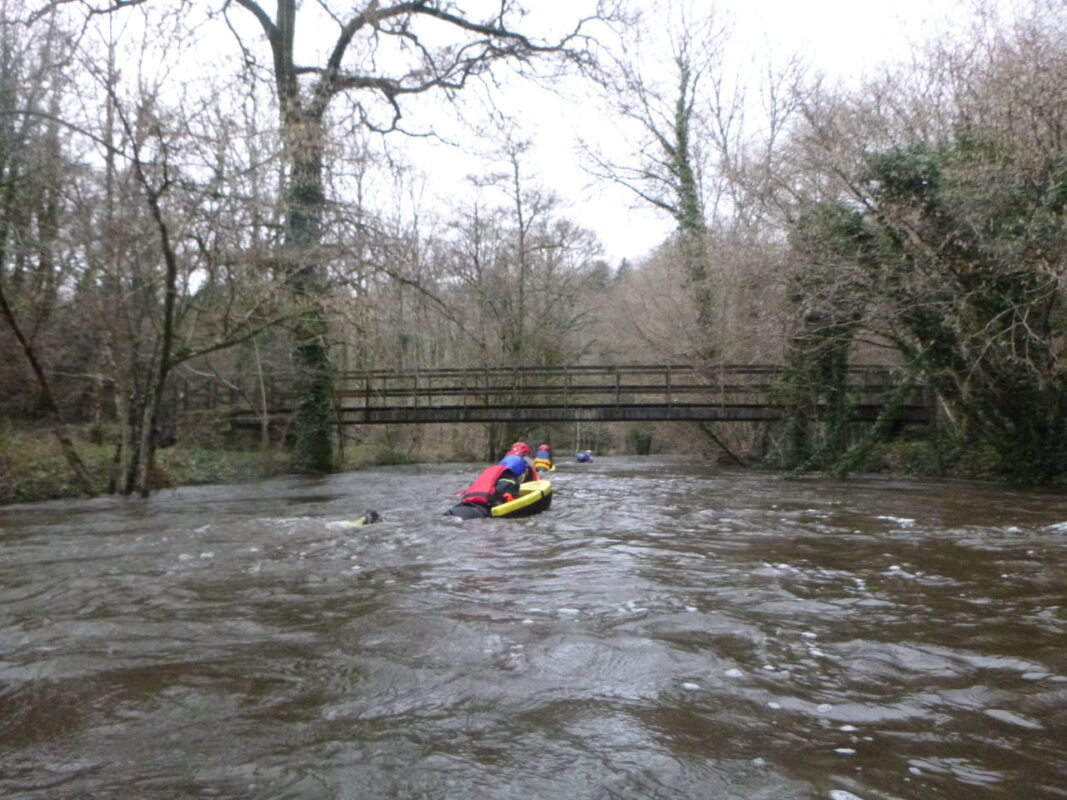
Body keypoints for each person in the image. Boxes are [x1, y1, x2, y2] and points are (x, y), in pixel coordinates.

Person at [446, 442, 537, 518]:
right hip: (476, 513)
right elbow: (509, 503)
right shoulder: (511, 483)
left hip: (459, 508)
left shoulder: (490, 474)